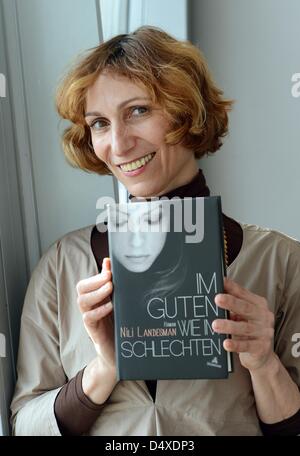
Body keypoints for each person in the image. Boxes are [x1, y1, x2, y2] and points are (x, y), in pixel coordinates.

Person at [10, 26, 300, 436]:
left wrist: (264, 363)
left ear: (186, 110)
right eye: (99, 123)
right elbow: (24, 427)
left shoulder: (283, 262)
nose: (119, 144)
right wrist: (105, 368)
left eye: (138, 111)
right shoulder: (61, 265)